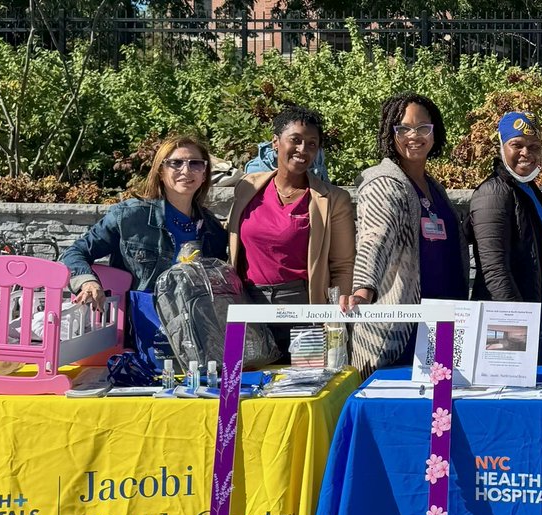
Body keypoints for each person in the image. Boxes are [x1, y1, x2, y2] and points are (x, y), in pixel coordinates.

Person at [341, 93, 470, 374]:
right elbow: (374, 239)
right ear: (391, 132)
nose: (415, 136)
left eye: (423, 127)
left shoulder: (434, 186)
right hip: (404, 325)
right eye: (403, 128)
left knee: (443, 408)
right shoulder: (384, 182)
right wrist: (363, 290)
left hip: (445, 321)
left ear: (435, 132)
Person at [226, 105, 356, 356]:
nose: (303, 150)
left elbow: (342, 265)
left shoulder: (332, 199)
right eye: (295, 140)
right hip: (248, 305)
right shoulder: (247, 189)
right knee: (248, 387)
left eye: (311, 144)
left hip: (303, 308)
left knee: (304, 385)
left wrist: (334, 320)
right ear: (275, 142)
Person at [62, 133, 227, 309]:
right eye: (176, 163)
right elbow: (73, 253)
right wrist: (88, 282)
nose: (186, 171)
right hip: (139, 328)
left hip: (195, 330)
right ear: (161, 172)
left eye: (195, 163)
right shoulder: (129, 216)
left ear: (204, 174)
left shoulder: (213, 229)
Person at [468, 111, 542, 365]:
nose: (527, 152)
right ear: (501, 147)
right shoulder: (492, 193)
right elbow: (494, 270)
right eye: (517, 145)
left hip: (538, 319)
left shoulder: (528, 190)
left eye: (534, 146)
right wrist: (519, 328)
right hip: (509, 325)